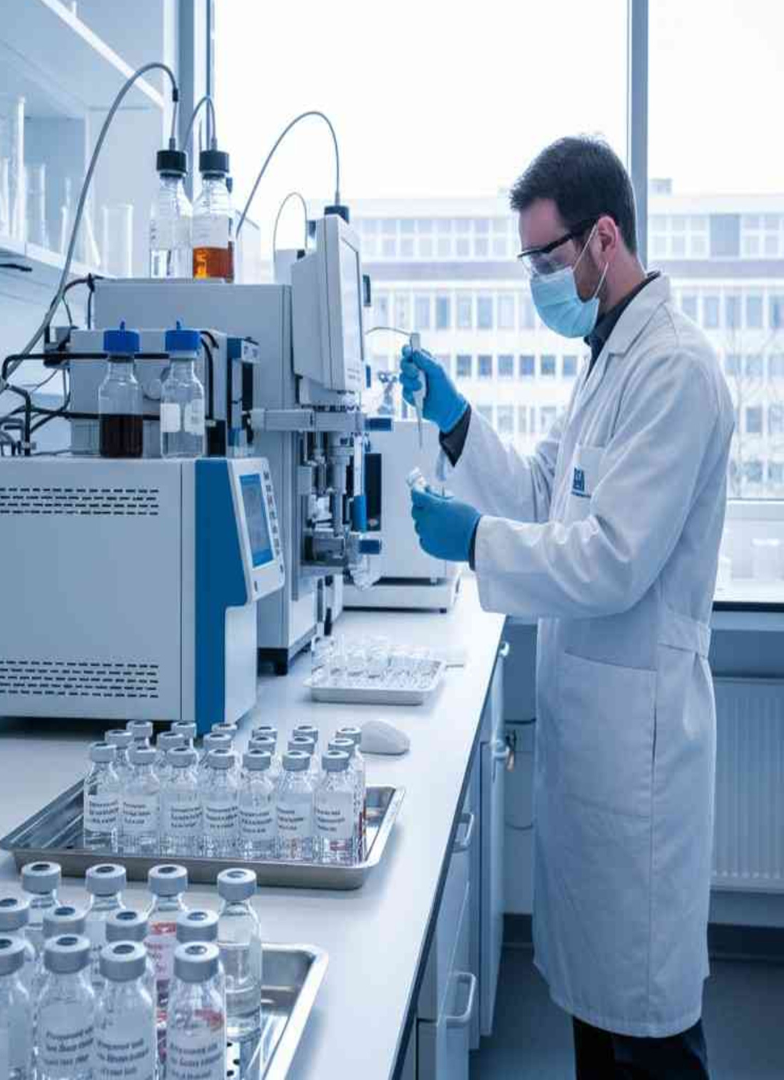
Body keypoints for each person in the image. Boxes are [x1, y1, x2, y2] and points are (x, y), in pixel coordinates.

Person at [400, 136, 733, 1079]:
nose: (539, 282)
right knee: (602, 1027)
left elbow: (614, 558)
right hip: (599, 739)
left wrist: (474, 541)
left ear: (603, 238)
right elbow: (546, 493)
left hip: (642, 750)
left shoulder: (675, 369)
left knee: (651, 1038)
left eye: (547, 260)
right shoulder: (605, 362)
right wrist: (458, 424)